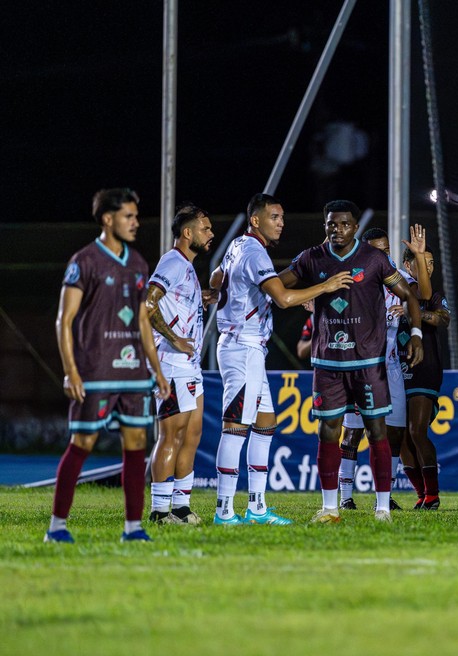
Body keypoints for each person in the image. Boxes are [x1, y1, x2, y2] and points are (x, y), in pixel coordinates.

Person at [211, 193, 351, 526]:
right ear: (256, 220)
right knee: (235, 429)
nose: (281, 223)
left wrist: (251, 292)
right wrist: (325, 286)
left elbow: (217, 279)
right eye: (274, 217)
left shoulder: (237, 246)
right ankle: (223, 510)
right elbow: (285, 298)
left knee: (265, 424)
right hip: (242, 347)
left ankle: (257, 508)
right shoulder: (254, 251)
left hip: (248, 347)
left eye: (283, 217)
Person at [280, 200, 423, 524]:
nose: (337, 229)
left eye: (344, 224)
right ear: (325, 225)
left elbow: (410, 295)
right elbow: (277, 285)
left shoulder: (374, 259)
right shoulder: (311, 258)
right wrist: (309, 293)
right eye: (332, 224)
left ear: (355, 227)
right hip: (327, 362)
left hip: (368, 363)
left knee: (377, 432)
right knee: (329, 431)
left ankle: (383, 508)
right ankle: (331, 508)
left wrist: (416, 335)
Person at [45, 188, 170, 543]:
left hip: (132, 374)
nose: (136, 222)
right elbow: (63, 320)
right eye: (128, 216)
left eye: (136, 215)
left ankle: (133, 528)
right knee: (82, 442)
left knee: (135, 444)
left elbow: (144, 323)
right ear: (107, 219)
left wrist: (156, 370)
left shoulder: (139, 264)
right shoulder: (83, 262)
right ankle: (57, 527)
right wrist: (71, 370)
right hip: (95, 370)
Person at [335, 226, 423, 511]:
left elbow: (421, 292)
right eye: (376, 250)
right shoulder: (353, 277)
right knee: (353, 433)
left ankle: (382, 496)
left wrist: (408, 309)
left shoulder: (396, 275)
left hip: (391, 366)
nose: (382, 255)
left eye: (386, 250)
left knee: (395, 431)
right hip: (359, 365)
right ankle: (345, 496)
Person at [145, 204, 216, 525]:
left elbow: (174, 300)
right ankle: (159, 512)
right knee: (170, 436)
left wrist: (197, 297)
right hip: (171, 363)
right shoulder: (173, 262)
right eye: (205, 228)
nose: (211, 233)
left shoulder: (185, 267)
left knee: (192, 435)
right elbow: (147, 304)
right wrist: (173, 338)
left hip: (189, 366)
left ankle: (181, 507)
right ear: (187, 233)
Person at [402, 243, 451, 510]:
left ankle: (433, 494)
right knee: (400, 439)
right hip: (397, 371)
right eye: (423, 262)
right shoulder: (395, 292)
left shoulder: (431, 295)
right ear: (407, 266)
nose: (428, 267)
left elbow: (443, 319)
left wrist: (415, 313)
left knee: (417, 431)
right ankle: (422, 495)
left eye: (431, 263)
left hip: (425, 368)